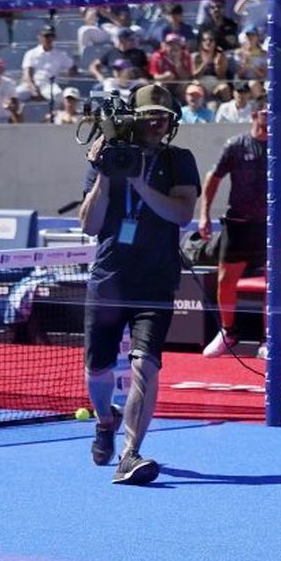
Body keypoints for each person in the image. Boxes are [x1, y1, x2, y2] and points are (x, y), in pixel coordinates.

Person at [77, 83, 200, 485]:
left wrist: (139, 184)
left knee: (146, 363)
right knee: (97, 369)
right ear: (133, 119)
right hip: (109, 278)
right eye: (149, 117)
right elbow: (89, 225)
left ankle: (130, 453)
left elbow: (182, 214)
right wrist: (105, 174)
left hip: (156, 281)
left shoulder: (178, 160)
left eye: (164, 117)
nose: (157, 124)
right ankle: (104, 420)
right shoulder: (107, 156)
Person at [196, 108, 281, 357]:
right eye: (264, 112)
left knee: (273, 282)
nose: (269, 116)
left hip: (276, 225)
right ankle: (228, 332)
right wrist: (204, 215)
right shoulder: (235, 145)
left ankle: (268, 340)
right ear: (253, 115)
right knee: (226, 279)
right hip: (239, 224)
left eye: (273, 112)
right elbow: (213, 178)